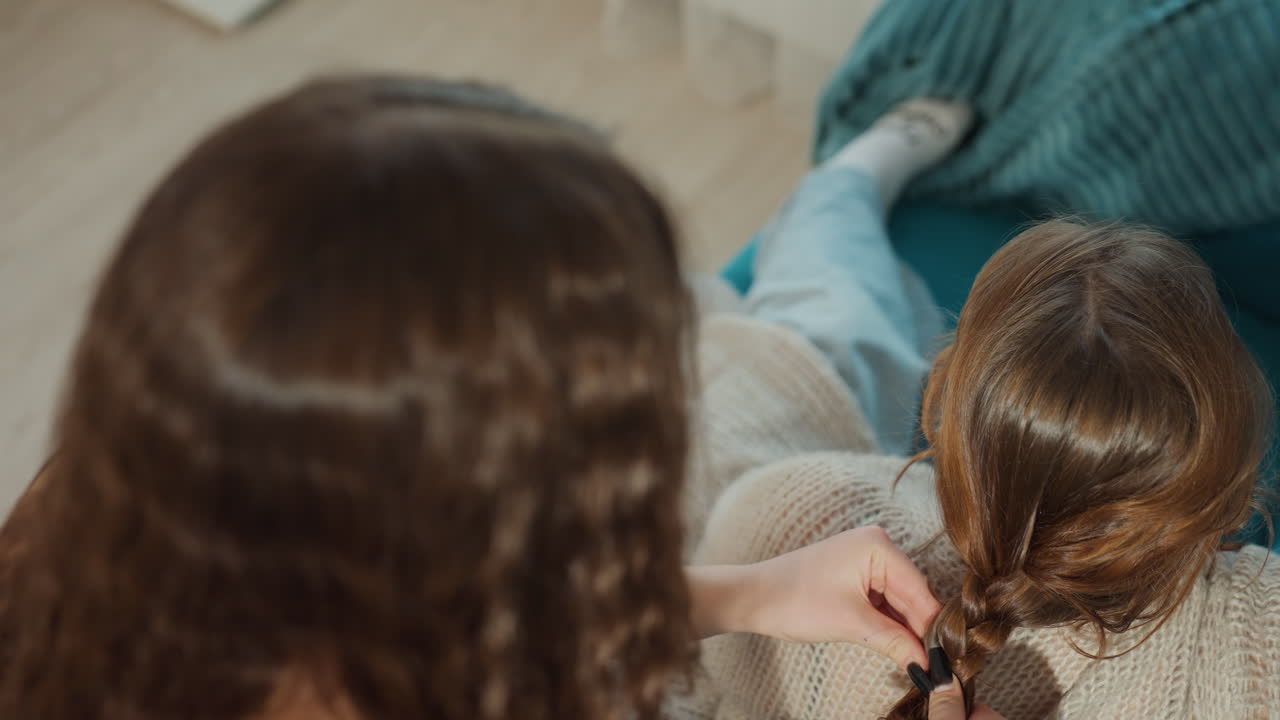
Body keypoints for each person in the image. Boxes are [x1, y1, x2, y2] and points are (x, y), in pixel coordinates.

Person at [0, 76, 992, 720]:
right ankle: (835, 201)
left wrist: (756, 591)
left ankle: (836, 197)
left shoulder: (135, 513)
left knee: (794, 346)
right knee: (816, 348)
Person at [676, 96, 1280, 717]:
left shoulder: (796, 522)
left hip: (781, 477)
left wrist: (742, 591)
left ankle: (848, 181)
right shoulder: (1262, 638)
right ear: (1228, 492)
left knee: (821, 319)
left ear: (939, 407)